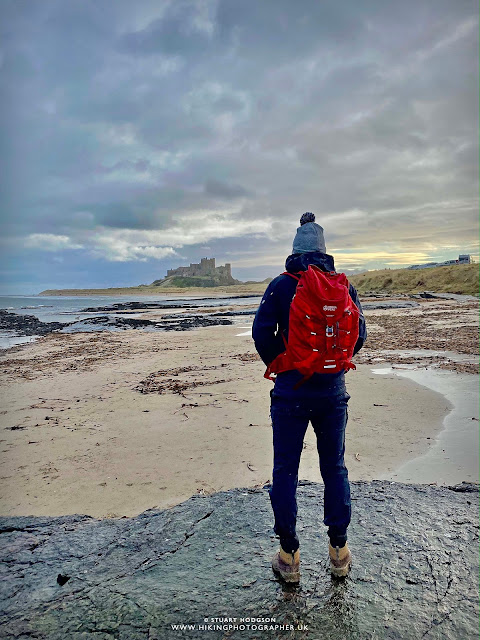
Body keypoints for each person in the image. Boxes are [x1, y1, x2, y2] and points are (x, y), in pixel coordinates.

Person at [252, 212, 367, 582]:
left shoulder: (282, 285)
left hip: (290, 392)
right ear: (323, 251)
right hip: (333, 392)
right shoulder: (342, 286)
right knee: (334, 467)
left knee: (285, 468)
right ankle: (339, 551)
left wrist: (283, 365)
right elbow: (359, 337)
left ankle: (289, 556)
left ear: (294, 250)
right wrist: (331, 368)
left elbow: (259, 332)